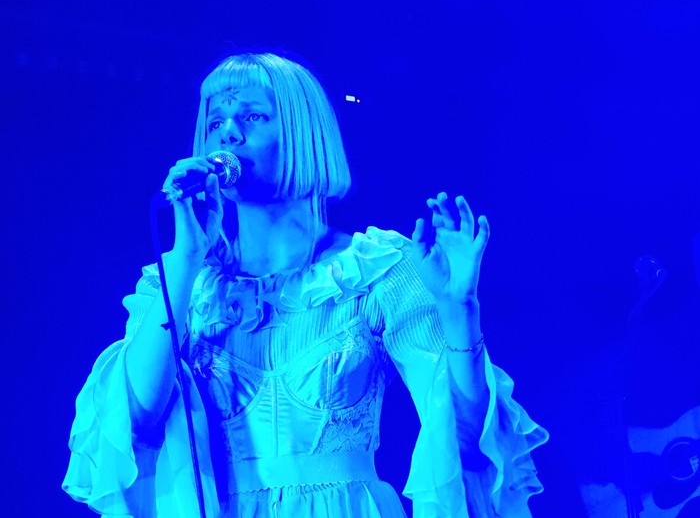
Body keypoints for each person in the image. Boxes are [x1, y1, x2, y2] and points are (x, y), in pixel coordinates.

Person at [63, 52, 548, 518]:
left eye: (252, 117)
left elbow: (466, 441)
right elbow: (134, 424)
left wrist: (460, 312)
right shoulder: (182, 282)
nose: (228, 133)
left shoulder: (375, 268)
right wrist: (186, 258)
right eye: (215, 122)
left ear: (302, 133)